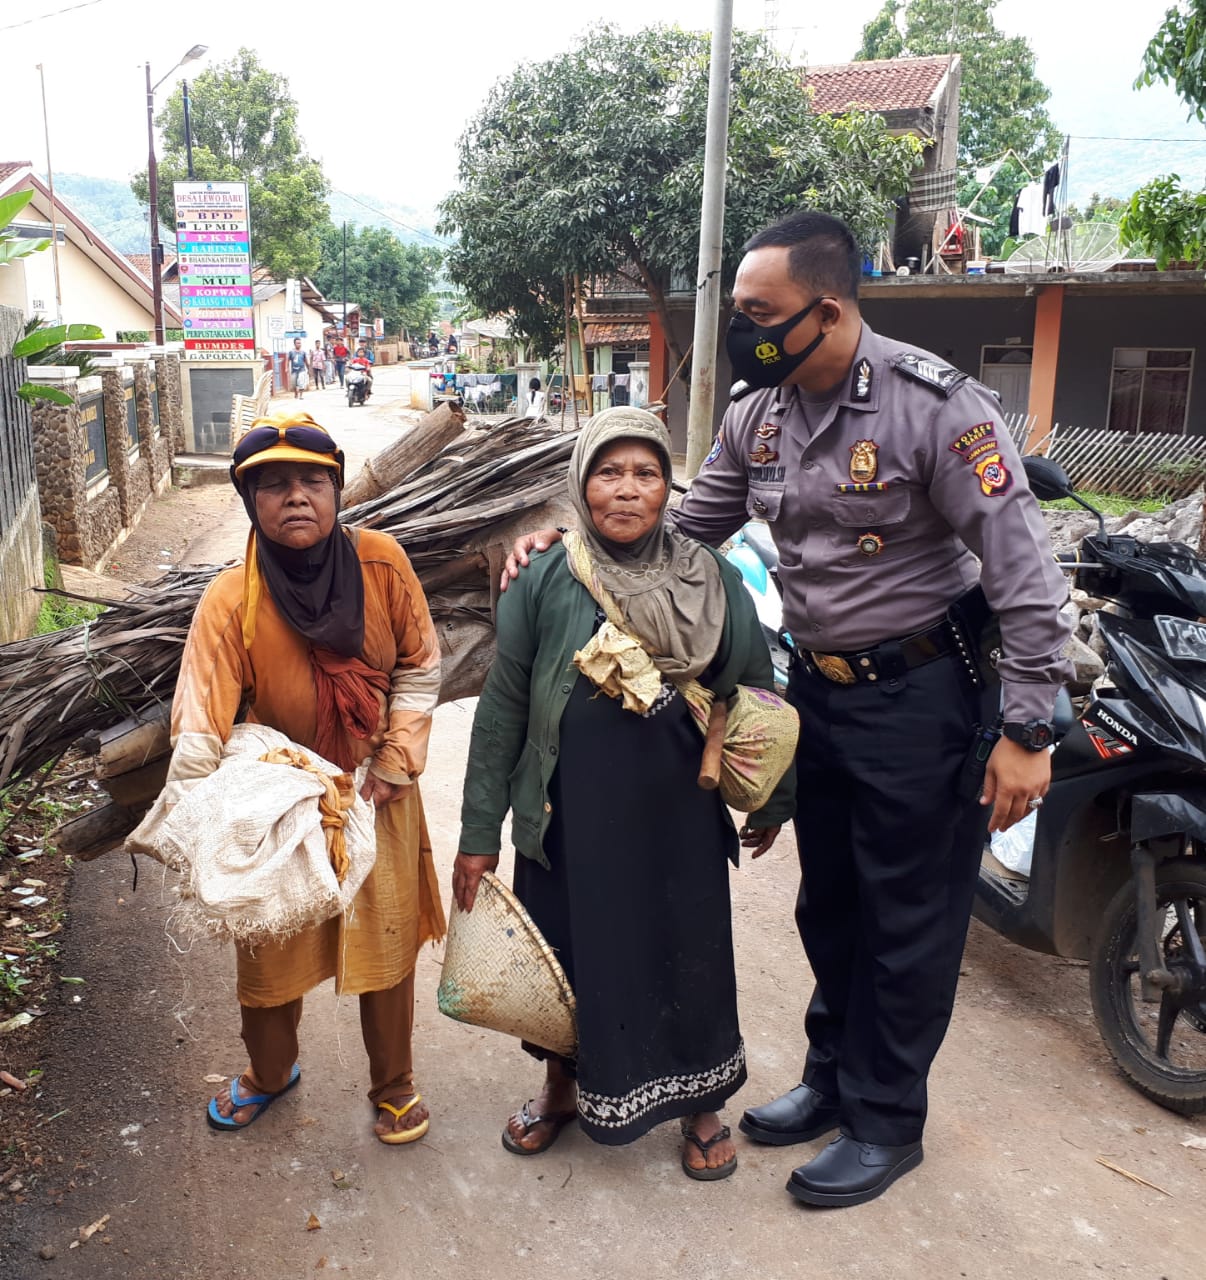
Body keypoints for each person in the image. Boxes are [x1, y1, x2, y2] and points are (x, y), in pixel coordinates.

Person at [501, 210, 1072, 1206]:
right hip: (819, 695)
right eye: (737, 313)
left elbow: (1024, 573)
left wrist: (1029, 729)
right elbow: (680, 529)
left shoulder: (938, 408)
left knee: (909, 918)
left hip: (924, 697)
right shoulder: (757, 415)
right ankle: (830, 1079)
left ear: (829, 309)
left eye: (759, 314)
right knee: (832, 904)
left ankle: (888, 1119)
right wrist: (567, 547)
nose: (744, 331)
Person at [454, 407, 793, 1180]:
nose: (628, 490)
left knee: (688, 947)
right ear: (581, 482)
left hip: (678, 809)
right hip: (570, 814)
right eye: (610, 472)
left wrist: (771, 798)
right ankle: (560, 1087)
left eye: (646, 473)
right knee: (567, 949)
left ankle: (703, 1102)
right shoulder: (543, 577)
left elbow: (756, 693)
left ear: (669, 487)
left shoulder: (712, 577)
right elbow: (503, 708)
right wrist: (480, 832)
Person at [164, 411, 445, 1143]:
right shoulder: (232, 597)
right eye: (275, 484)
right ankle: (269, 1072)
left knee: (384, 945)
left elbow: (419, 665)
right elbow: (201, 714)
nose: (297, 497)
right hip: (277, 801)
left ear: (338, 490)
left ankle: (395, 1084)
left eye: (313, 481)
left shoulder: (381, 563)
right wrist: (195, 823)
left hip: (376, 789)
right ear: (249, 499)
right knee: (269, 951)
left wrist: (396, 759)